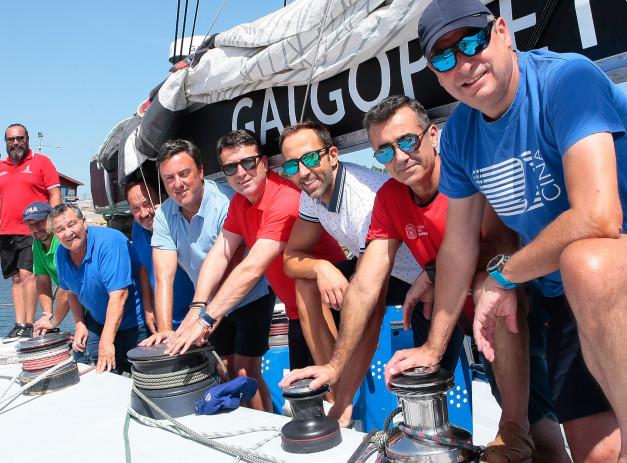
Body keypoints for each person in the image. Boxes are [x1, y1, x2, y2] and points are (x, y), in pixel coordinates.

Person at [387, 1, 627, 461]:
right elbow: (459, 244)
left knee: (584, 261)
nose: (464, 63)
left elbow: (597, 218)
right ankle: (519, 429)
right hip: (566, 289)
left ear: (503, 33)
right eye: (445, 58)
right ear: (435, 72)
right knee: (594, 456)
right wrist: (434, 346)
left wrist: (503, 276)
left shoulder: (566, 79)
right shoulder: (459, 135)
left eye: (472, 42)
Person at [280, 97, 566, 462]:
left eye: (408, 142)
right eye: (384, 152)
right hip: (448, 308)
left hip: (508, 310)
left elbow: (501, 245)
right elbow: (367, 284)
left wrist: (432, 273)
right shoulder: (389, 197)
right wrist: (335, 367)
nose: (399, 158)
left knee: (542, 436)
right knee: (428, 389)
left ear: (433, 134)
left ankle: (515, 429)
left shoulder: (468, 174)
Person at [278, 120, 428, 426]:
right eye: (292, 165)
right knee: (306, 283)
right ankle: (332, 387)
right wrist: (321, 267)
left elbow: (370, 305)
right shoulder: (312, 192)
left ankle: (341, 402)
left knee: (427, 381)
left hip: (419, 277)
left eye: (310, 159)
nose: (303, 172)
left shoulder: (364, 199)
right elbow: (291, 258)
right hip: (377, 267)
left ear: (333, 155)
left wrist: (344, 406)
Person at [166, 130, 345, 378]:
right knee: (307, 398)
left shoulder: (286, 199)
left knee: (334, 395)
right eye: (230, 168)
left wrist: (205, 320)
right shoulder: (239, 203)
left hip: (331, 305)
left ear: (264, 162)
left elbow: (252, 268)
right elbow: (220, 254)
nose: (240, 173)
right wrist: (197, 307)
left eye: (248, 163)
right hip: (297, 313)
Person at [140, 139, 276, 412]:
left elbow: (233, 266)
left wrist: (203, 320)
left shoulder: (227, 202)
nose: (178, 184)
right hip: (205, 301)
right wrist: (166, 332)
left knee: (244, 372)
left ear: (201, 171)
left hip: (250, 295)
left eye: (184, 174)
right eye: (169, 178)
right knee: (223, 368)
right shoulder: (164, 216)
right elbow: (163, 276)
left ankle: (267, 429)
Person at [51, 203, 148, 374]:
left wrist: (107, 341)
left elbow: (119, 296)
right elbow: (71, 292)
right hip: (98, 321)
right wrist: (80, 323)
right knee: (84, 366)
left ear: (84, 221)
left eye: (72, 224)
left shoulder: (110, 243)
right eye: (60, 230)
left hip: (133, 322)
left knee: (141, 377)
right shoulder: (61, 253)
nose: (68, 233)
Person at [0, 123, 61, 341]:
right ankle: (19, 323)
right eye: (11, 139)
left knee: (30, 275)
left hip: (33, 230)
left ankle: (29, 324)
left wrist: (56, 222)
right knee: (16, 278)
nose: (15, 142)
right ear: (6, 142)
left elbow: (54, 194)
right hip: (8, 230)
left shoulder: (41, 162)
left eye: (20, 138)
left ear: (27, 139)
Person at [125, 180, 194, 335]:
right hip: (166, 320)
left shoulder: (179, 225)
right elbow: (143, 267)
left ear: (163, 199)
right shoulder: (138, 229)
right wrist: (148, 307)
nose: (144, 213)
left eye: (147, 204)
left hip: (194, 315)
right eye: (136, 208)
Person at [19, 201, 70, 336]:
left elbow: (68, 287)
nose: (36, 228)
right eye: (31, 225)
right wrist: (48, 316)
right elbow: (42, 281)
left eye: (40, 222)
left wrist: (54, 321)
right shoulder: (37, 244)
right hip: (80, 305)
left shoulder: (63, 242)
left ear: (52, 219)